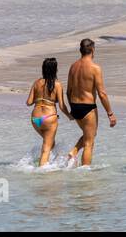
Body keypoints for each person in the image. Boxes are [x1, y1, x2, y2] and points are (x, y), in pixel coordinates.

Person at [66, 38, 116, 166]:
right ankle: (85, 173)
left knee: (89, 134)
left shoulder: (73, 67)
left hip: (75, 106)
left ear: (80, 50)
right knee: (89, 142)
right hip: (88, 107)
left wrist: (71, 109)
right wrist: (110, 113)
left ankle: (74, 151)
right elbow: (102, 94)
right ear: (93, 50)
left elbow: (68, 91)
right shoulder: (95, 68)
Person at [26, 58, 70, 167]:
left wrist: (39, 97)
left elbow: (29, 102)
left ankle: (49, 162)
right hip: (49, 118)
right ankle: (42, 173)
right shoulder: (57, 84)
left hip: (35, 119)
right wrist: (70, 116)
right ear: (55, 70)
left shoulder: (36, 82)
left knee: (50, 143)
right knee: (46, 147)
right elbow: (62, 106)